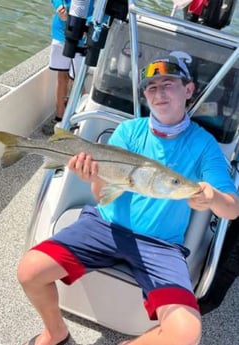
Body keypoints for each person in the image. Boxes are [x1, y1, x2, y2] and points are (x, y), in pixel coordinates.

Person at [18, 54, 239, 345]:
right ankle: (55, 333)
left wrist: (211, 197)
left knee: (186, 331)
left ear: (188, 90)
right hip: (104, 226)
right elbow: (102, 197)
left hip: (161, 246)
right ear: (145, 96)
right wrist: (93, 177)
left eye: (168, 84)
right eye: (151, 87)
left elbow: (232, 208)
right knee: (29, 270)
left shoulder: (204, 145)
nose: (159, 92)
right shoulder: (128, 131)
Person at [42, 0, 93, 136]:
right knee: (61, 76)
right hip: (60, 32)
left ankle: (79, 119)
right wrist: (59, 7)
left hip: (82, 36)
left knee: (78, 79)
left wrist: (88, 23)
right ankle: (59, 117)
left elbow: (104, 11)